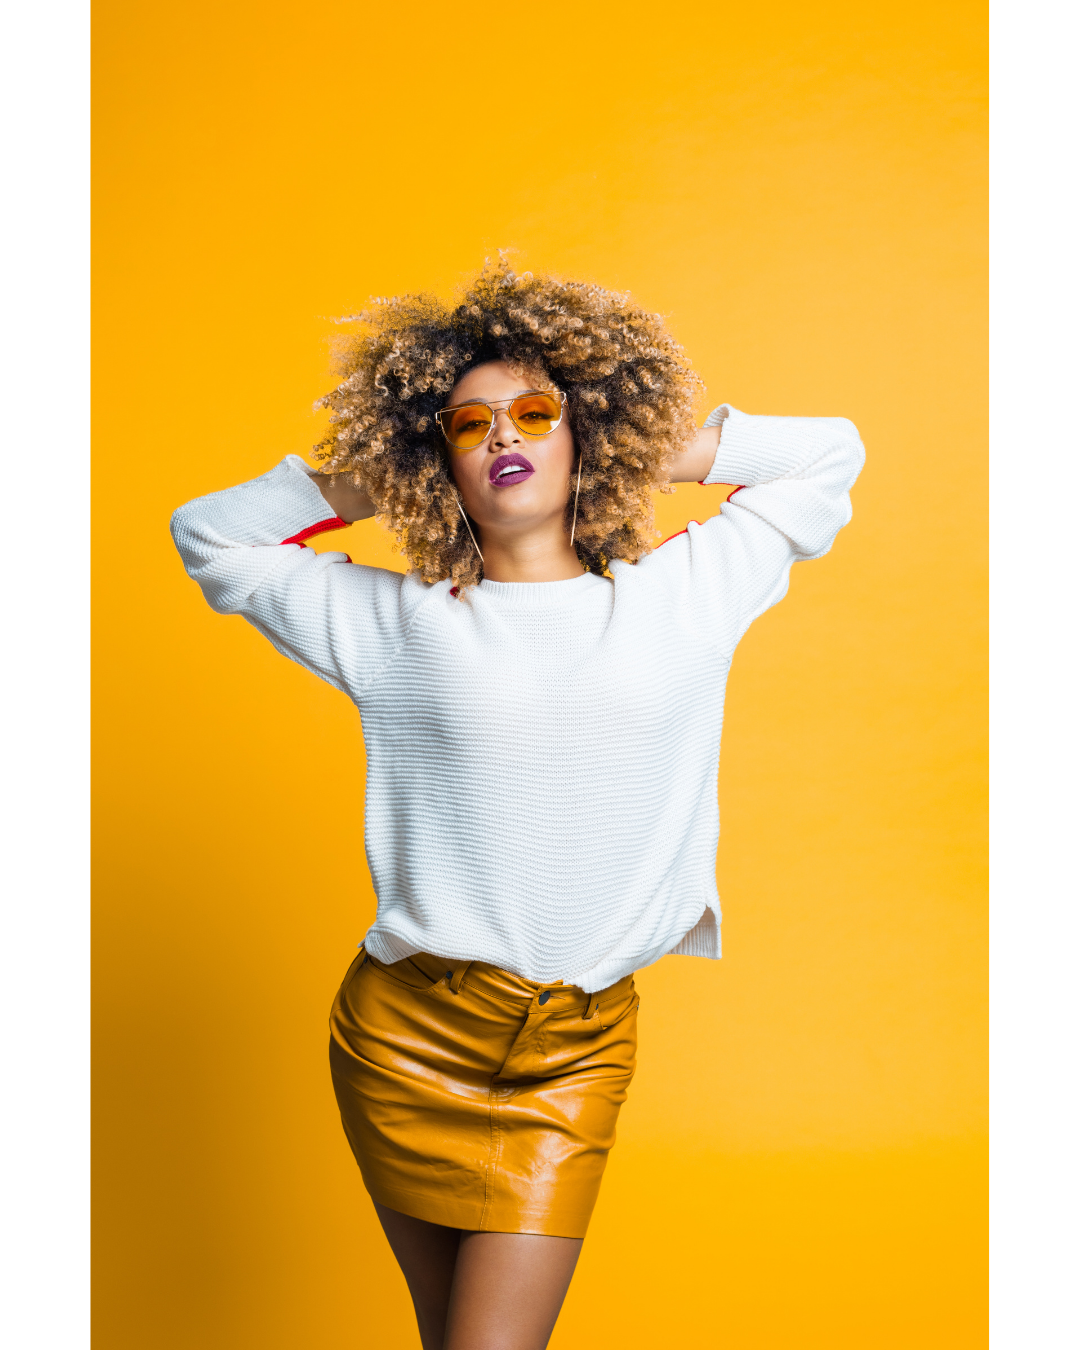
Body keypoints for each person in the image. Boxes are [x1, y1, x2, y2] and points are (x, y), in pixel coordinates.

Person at [171, 259, 864, 1350]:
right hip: (405, 1032)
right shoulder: (400, 625)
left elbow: (831, 452)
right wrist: (377, 479)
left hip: (572, 1047)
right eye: (467, 424)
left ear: (581, 429)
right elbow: (209, 534)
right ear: (434, 454)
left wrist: (630, 442)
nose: (506, 435)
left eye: (537, 413)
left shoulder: (685, 598)